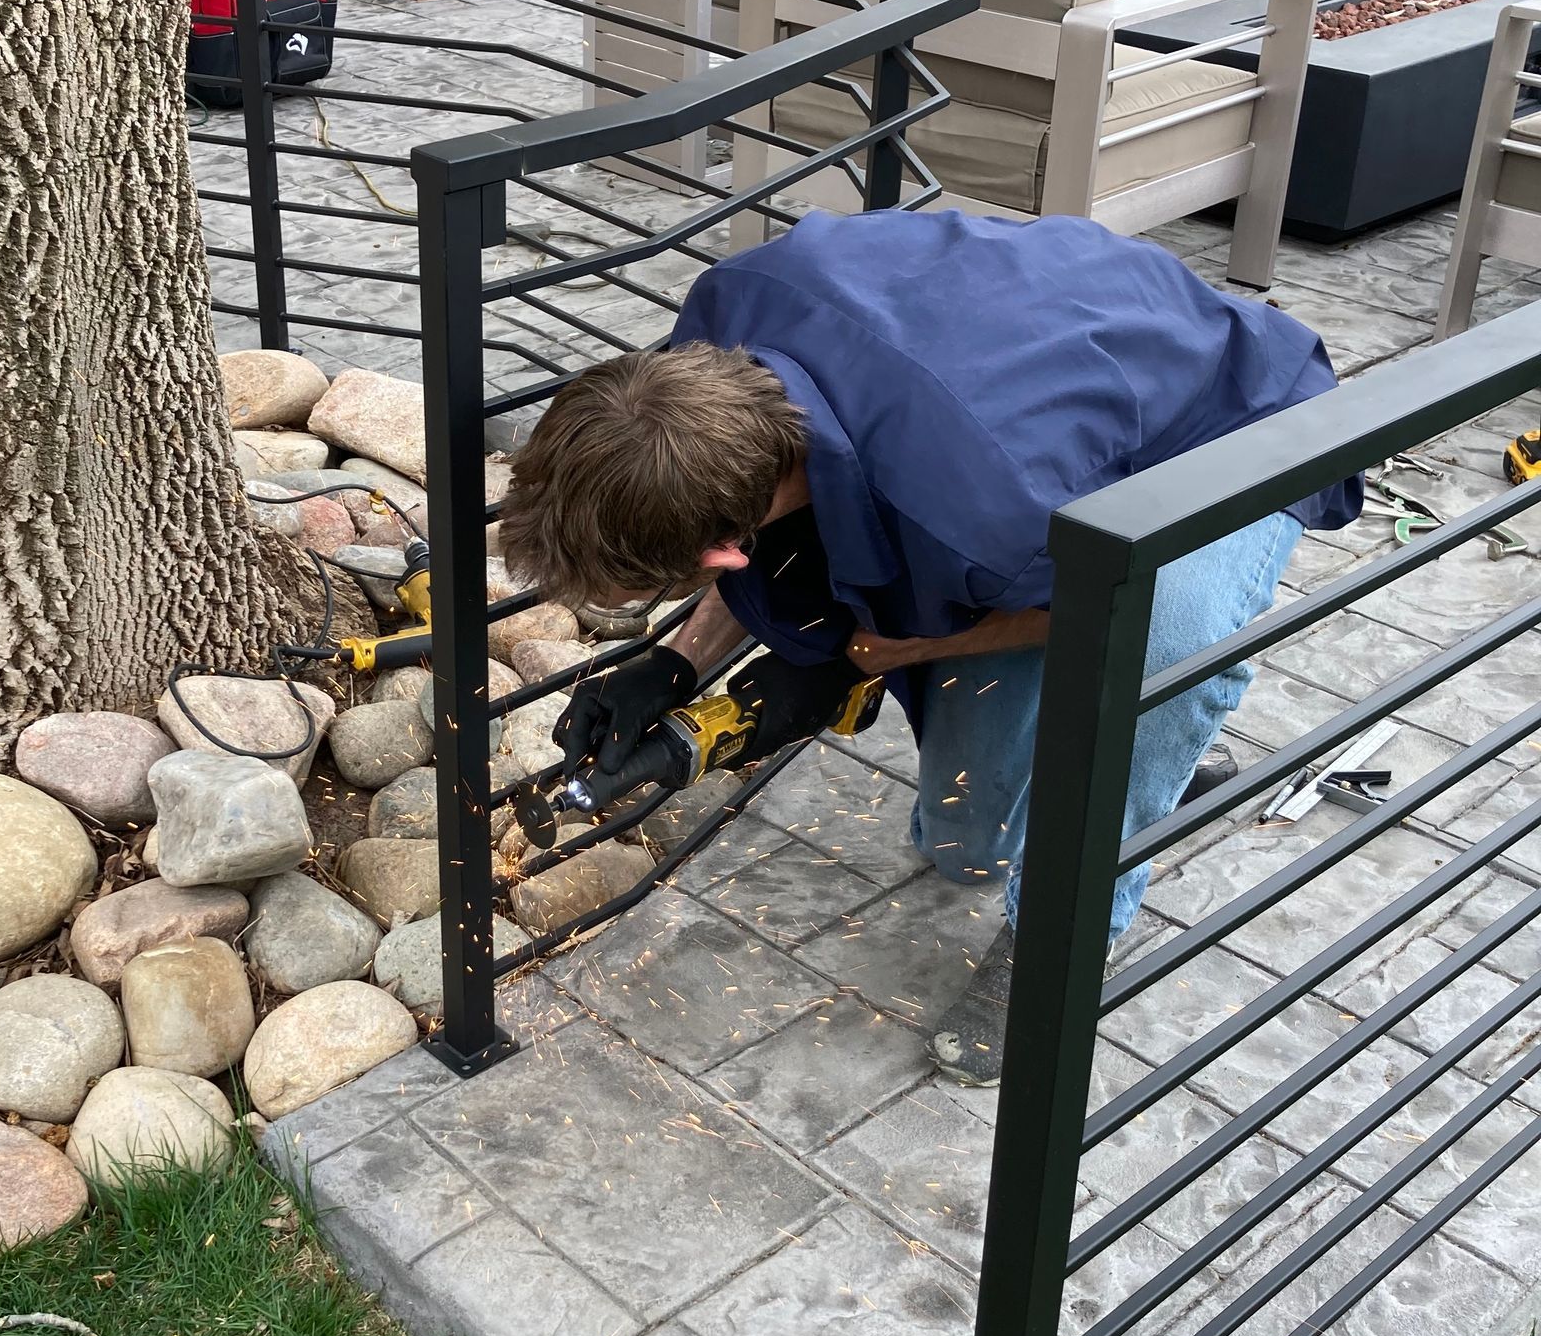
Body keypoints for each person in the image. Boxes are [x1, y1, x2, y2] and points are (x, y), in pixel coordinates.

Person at [496, 208, 1363, 1085]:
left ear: (726, 548)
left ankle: (1066, 935)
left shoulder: (990, 516)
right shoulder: (717, 325)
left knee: (1164, 639)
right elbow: (752, 512)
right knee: (965, 850)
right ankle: (1134, 783)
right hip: (1051, 367)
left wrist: (893, 652)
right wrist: (674, 661)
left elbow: (1094, 608)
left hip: (1235, 418)